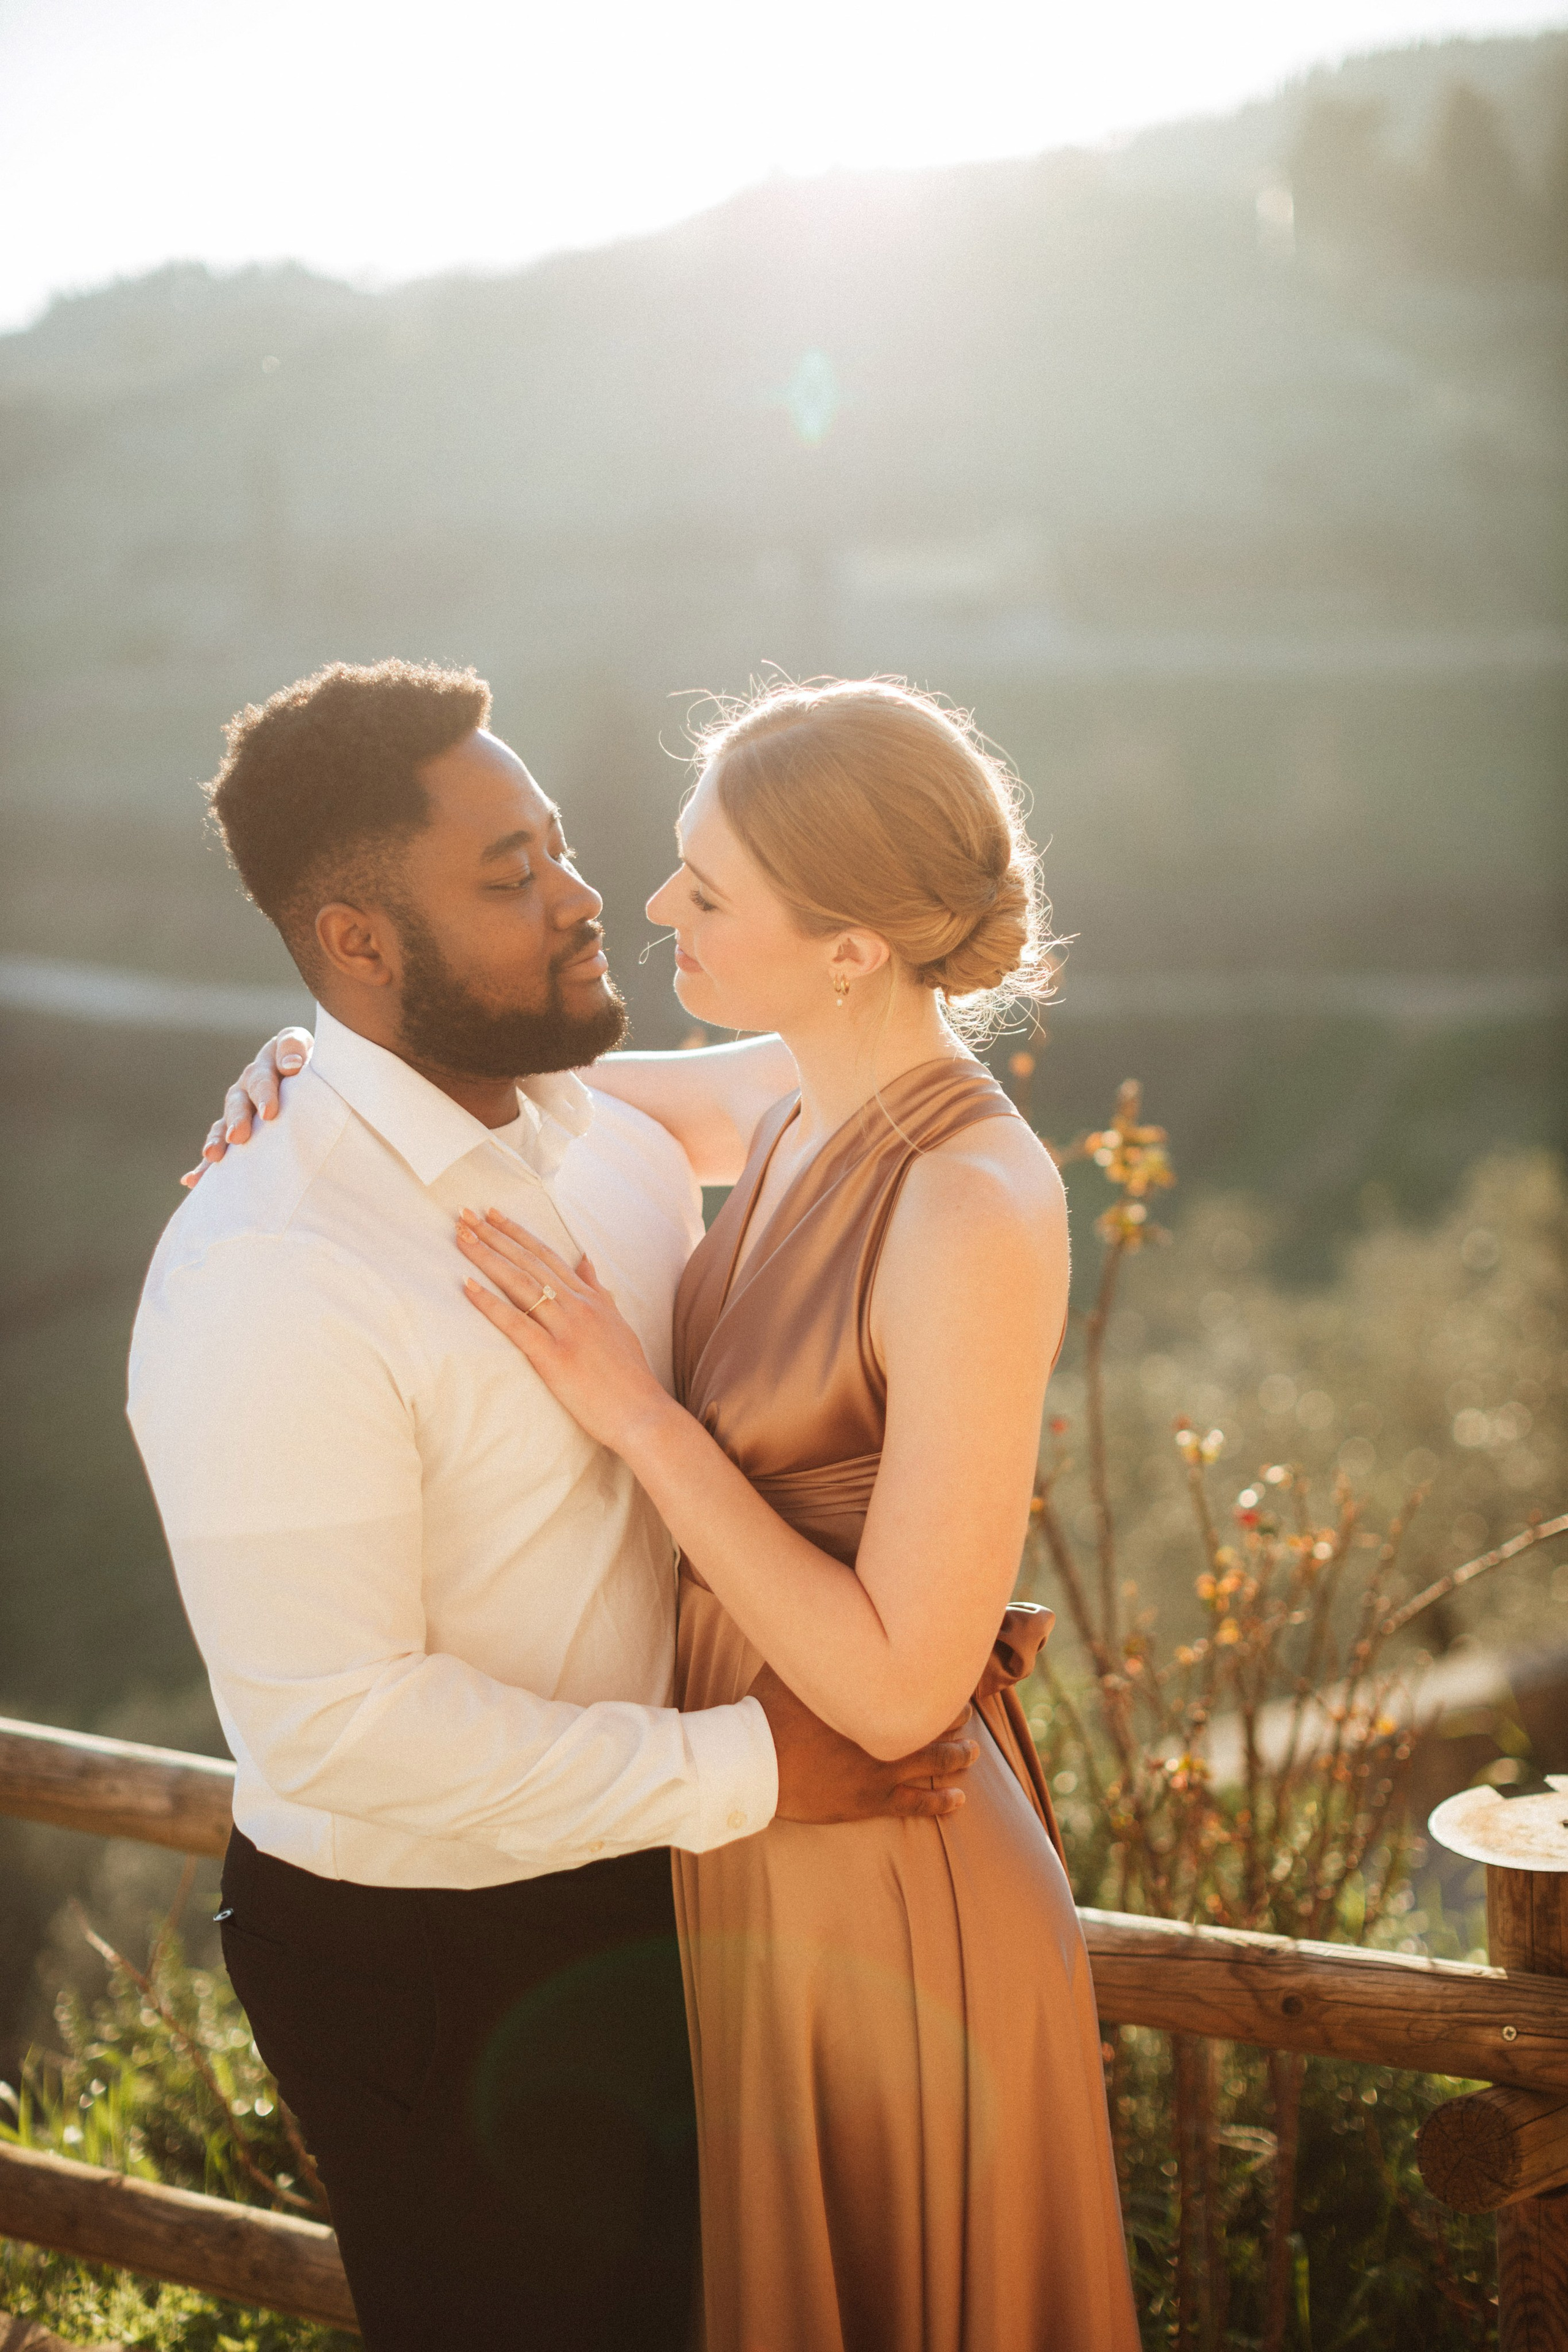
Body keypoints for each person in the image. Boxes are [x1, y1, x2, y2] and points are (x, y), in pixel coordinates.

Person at [217, 675, 1140, 2350]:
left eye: (705, 893)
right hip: (742, 1850)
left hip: (881, 1867)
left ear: (851, 943)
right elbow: (496, 1074)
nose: (650, 909)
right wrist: (303, 1057)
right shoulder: (786, 1099)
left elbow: (891, 1689)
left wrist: (632, 1413)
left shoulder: (973, 1198)